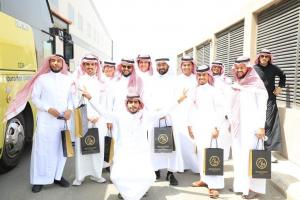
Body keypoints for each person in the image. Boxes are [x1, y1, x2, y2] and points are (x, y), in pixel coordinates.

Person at [81, 87, 188, 200]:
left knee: (148, 177)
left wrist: (180, 99)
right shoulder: (120, 115)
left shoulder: (146, 115)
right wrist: (90, 98)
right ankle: (125, 192)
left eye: (135, 102)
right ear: (126, 104)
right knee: (116, 177)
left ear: (139, 103)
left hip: (141, 154)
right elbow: (102, 111)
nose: (133, 105)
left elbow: (164, 111)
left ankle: (139, 192)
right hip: (123, 154)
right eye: (130, 102)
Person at [28, 55, 73, 193]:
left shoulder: (68, 80)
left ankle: (57, 176)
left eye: (58, 61)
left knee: (61, 150)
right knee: (42, 150)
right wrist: (48, 109)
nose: (55, 63)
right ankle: (39, 180)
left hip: (63, 122)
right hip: (46, 121)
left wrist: (70, 110)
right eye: (53, 61)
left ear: (62, 64)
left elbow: (71, 98)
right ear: (49, 63)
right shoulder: (42, 79)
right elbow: (34, 98)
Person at [230, 56, 268, 199]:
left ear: (248, 68)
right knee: (239, 157)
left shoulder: (256, 85)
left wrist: (261, 127)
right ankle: (241, 186)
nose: (239, 70)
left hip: (252, 128)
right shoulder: (236, 84)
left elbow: (262, 108)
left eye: (242, 67)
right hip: (237, 128)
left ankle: (254, 188)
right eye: (237, 67)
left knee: (252, 157)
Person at [187, 65, 224, 199]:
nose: (201, 77)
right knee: (201, 155)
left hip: (211, 128)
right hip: (198, 128)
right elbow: (190, 109)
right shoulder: (194, 91)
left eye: (204, 75)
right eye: (199, 75)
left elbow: (220, 110)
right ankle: (204, 179)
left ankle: (214, 186)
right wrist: (189, 125)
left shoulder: (215, 91)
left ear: (209, 76)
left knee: (212, 156)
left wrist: (216, 127)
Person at [147, 57, 184, 186]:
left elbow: (179, 99)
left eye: (163, 64)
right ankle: (155, 170)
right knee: (153, 145)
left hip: (170, 117)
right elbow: (147, 99)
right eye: (159, 65)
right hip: (154, 118)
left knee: (171, 147)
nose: (161, 67)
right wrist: (156, 112)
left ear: (168, 65)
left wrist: (166, 112)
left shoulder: (175, 80)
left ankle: (170, 173)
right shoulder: (151, 81)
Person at [72, 54, 106, 186]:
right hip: (84, 117)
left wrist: (100, 116)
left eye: (93, 64)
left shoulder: (102, 82)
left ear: (97, 66)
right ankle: (79, 177)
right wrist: (86, 116)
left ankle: (97, 175)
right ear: (84, 66)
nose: (90, 67)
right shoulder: (79, 81)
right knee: (82, 147)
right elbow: (76, 101)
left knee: (98, 147)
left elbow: (106, 103)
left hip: (99, 118)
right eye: (87, 64)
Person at [254, 49, 286, 163]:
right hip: (256, 101)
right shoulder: (254, 69)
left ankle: (268, 152)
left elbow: (283, 76)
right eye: (262, 56)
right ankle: (256, 148)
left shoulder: (273, 68)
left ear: (269, 58)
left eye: (266, 57)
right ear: (259, 57)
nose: (264, 58)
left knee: (268, 125)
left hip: (270, 101)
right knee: (256, 124)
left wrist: (280, 87)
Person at [174, 56, 199, 173]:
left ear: (192, 66)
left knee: (192, 140)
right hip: (179, 112)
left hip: (194, 112)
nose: (186, 67)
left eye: (188, 65)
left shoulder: (197, 78)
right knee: (180, 140)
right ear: (181, 67)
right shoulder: (177, 79)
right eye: (184, 65)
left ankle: (194, 165)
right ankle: (181, 165)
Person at [210, 61, 232, 161]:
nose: (215, 69)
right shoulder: (208, 78)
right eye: (213, 67)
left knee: (223, 136)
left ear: (221, 68)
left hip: (223, 112)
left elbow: (230, 97)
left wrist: (228, 112)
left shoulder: (226, 80)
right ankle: (212, 161)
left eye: (217, 67)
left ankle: (222, 160)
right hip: (211, 112)